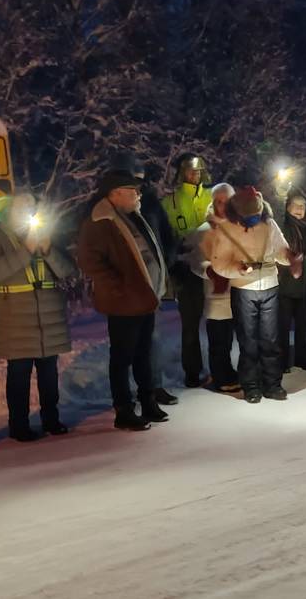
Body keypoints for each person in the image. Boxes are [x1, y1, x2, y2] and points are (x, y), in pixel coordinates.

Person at [78, 169, 170, 431]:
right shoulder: (99, 221)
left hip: (145, 299)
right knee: (122, 357)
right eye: (133, 191)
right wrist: (119, 288)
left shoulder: (131, 216)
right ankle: (124, 410)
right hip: (124, 303)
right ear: (115, 194)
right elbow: (89, 261)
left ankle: (148, 401)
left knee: (143, 354)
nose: (138, 195)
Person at [0, 193, 74, 442]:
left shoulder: (46, 233)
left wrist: (49, 250)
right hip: (15, 315)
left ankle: (51, 419)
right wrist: (27, 250)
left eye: (32, 206)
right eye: (23, 206)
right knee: (19, 373)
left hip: (48, 314)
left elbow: (67, 271)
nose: (29, 210)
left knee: (48, 373)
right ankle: (18, 425)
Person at [202, 186, 293, 402]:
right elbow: (219, 264)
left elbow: (281, 249)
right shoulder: (228, 229)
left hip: (270, 284)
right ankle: (251, 386)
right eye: (248, 218)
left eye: (255, 216)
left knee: (270, 340)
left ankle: (272, 384)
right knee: (248, 341)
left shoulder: (269, 224)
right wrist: (238, 269)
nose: (252, 221)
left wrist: (289, 257)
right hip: (243, 289)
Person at [111, 153, 179, 407]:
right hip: (128, 289)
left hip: (153, 284)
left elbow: (167, 235)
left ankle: (153, 387)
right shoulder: (112, 210)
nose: (137, 186)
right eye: (132, 181)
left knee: (153, 340)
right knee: (128, 346)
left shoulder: (150, 203)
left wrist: (165, 264)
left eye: (140, 180)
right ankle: (127, 397)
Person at [161, 153, 213, 389]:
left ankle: (220, 366)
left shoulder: (212, 197)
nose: (195, 175)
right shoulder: (169, 203)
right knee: (190, 325)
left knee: (218, 322)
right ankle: (192, 371)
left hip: (214, 268)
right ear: (181, 173)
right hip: (185, 270)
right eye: (191, 171)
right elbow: (164, 236)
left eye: (199, 171)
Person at [187, 183, 238, 392]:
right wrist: (210, 271)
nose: (222, 206)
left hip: (236, 292)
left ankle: (228, 371)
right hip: (217, 295)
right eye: (219, 201)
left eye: (226, 201)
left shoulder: (238, 227)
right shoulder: (205, 231)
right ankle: (220, 376)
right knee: (218, 339)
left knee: (228, 339)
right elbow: (196, 261)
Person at [279, 190, 306, 372]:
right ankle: (282, 360)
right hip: (285, 283)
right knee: (283, 325)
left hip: (304, 284)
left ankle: (303, 357)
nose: (300, 209)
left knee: (303, 324)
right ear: (287, 207)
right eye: (296, 205)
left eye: (303, 206)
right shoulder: (283, 225)